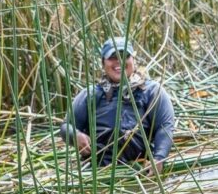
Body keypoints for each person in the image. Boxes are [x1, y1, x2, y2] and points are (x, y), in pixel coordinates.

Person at [60, 37, 175, 172]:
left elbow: (165, 126)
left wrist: (159, 158)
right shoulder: (90, 95)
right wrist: (75, 136)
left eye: (124, 56)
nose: (118, 61)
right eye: (112, 57)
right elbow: (66, 126)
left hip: (138, 168)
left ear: (133, 60)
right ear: (103, 63)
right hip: (98, 171)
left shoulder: (152, 91)